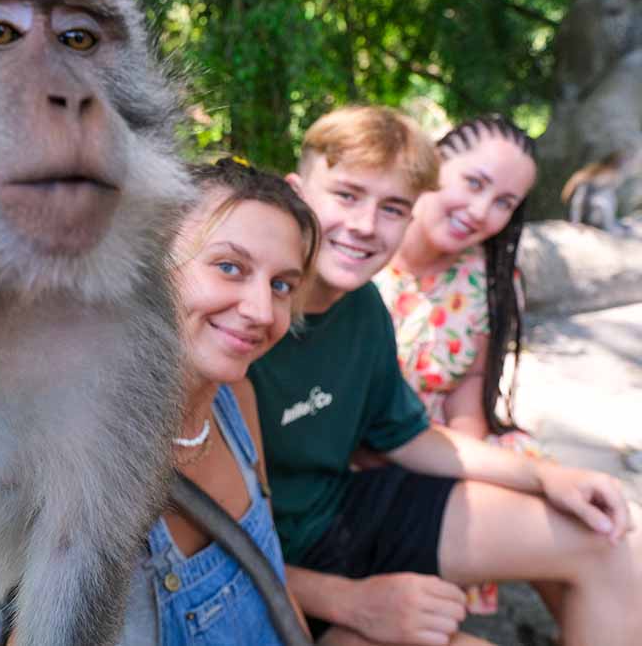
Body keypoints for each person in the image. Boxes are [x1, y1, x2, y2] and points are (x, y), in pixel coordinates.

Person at [246, 105, 642, 646]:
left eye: (391, 208)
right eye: (346, 195)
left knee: (611, 536)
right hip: (267, 574)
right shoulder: (242, 320)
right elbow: (198, 539)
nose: (364, 225)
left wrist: (546, 476)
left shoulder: (363, 306)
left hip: (345, 516)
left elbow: (408, 435)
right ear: (296, 193)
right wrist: (352, 603)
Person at [0, 157, 321, 645]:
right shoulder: (82, 458)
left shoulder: (239, 404)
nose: (260, 310)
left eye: (281, 286)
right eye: (229, 267)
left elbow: (268, 576)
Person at [372, 116, 542, 614]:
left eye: (504, 203)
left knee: (591, 520)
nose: (481, 211)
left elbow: (467, 390)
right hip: (365, 451)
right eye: (474, 183)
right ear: (432, 163)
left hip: (443, 444)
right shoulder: (362, 251)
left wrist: (465, 469)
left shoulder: (484, 276)